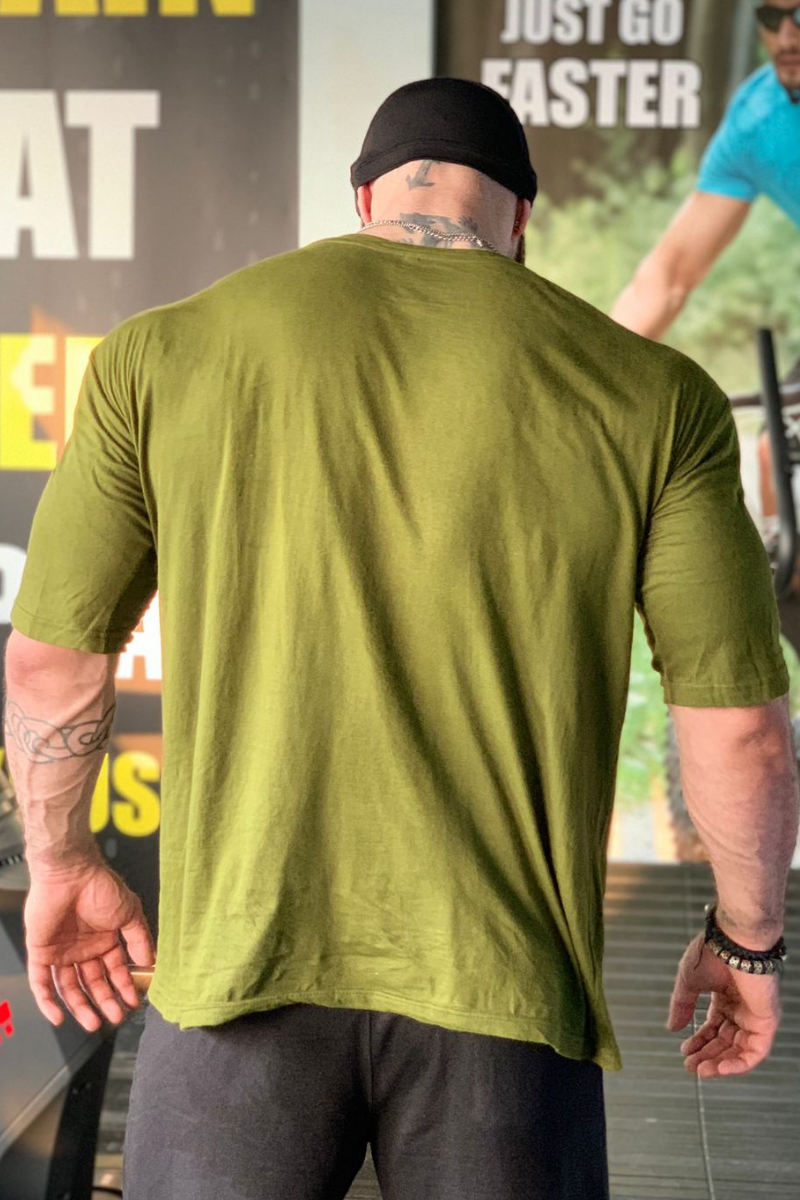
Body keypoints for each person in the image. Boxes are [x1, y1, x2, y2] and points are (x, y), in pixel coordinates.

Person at [2, 76, 798, 1200]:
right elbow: (740, 728)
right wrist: (745, 937)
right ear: (521, 221)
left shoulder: (158, 355)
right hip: (505, 1008)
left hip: (237, 984)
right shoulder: (656, 398)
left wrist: (64, 863)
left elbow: (49, 660)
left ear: (365, 198)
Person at [612, 0, 800, 339]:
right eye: (772, 18)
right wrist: (592, 365)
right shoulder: (753, 125)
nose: (787, 38)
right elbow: (668, 278)